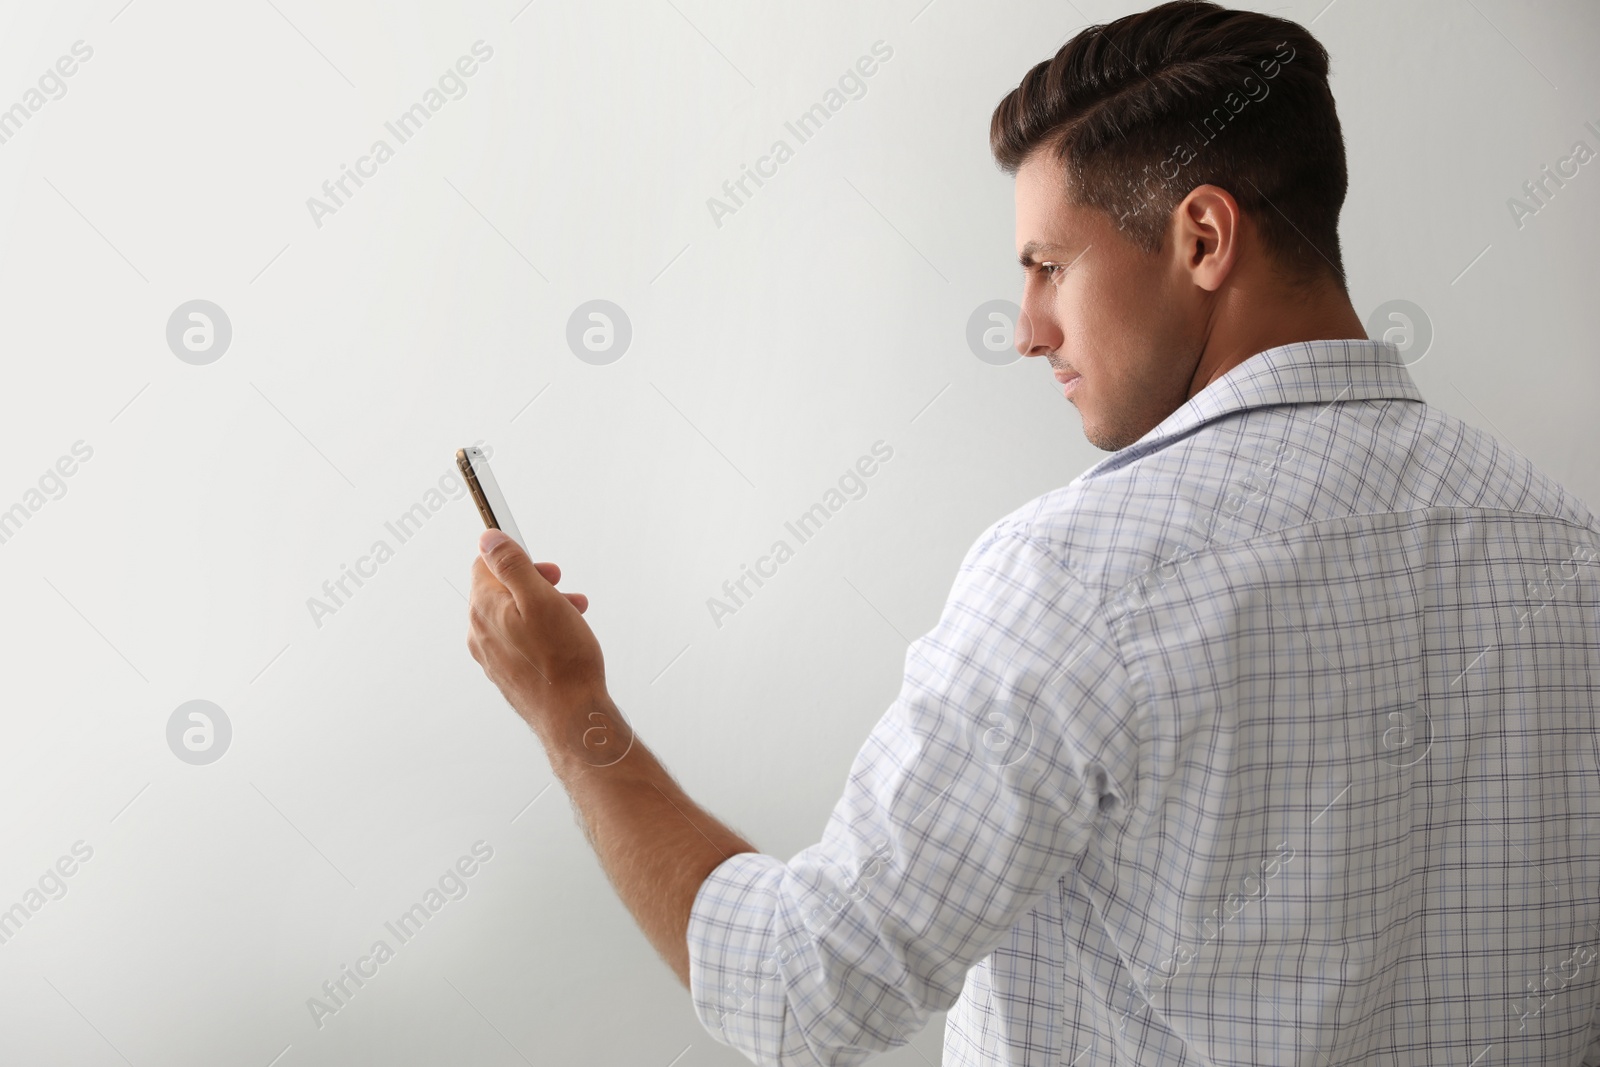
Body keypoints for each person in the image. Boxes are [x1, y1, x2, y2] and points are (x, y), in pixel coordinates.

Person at [465, 2, 1600, 1062]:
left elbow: (802, 990)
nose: (1025, 330)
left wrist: (571, 712)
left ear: (1203, 236)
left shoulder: (1080, 574)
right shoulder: (1568, 549)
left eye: (1049, 267)